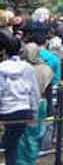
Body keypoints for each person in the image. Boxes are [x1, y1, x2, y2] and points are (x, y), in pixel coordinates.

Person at [0, 32, 40, 165]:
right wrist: (34, 111)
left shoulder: (1, 69)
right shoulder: (27, 68)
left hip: (5, 112)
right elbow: (34, 91)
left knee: (8, 146)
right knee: (12, 146)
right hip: (24, 111)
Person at [15, 43, 52, 165]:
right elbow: (49, 91)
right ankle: (33, 159)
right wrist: (50, 109)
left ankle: (23, 161)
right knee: (36, 134)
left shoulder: (21, 68)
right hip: (41, 104)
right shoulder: (46, 69)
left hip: (24, 103)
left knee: (24, 136)